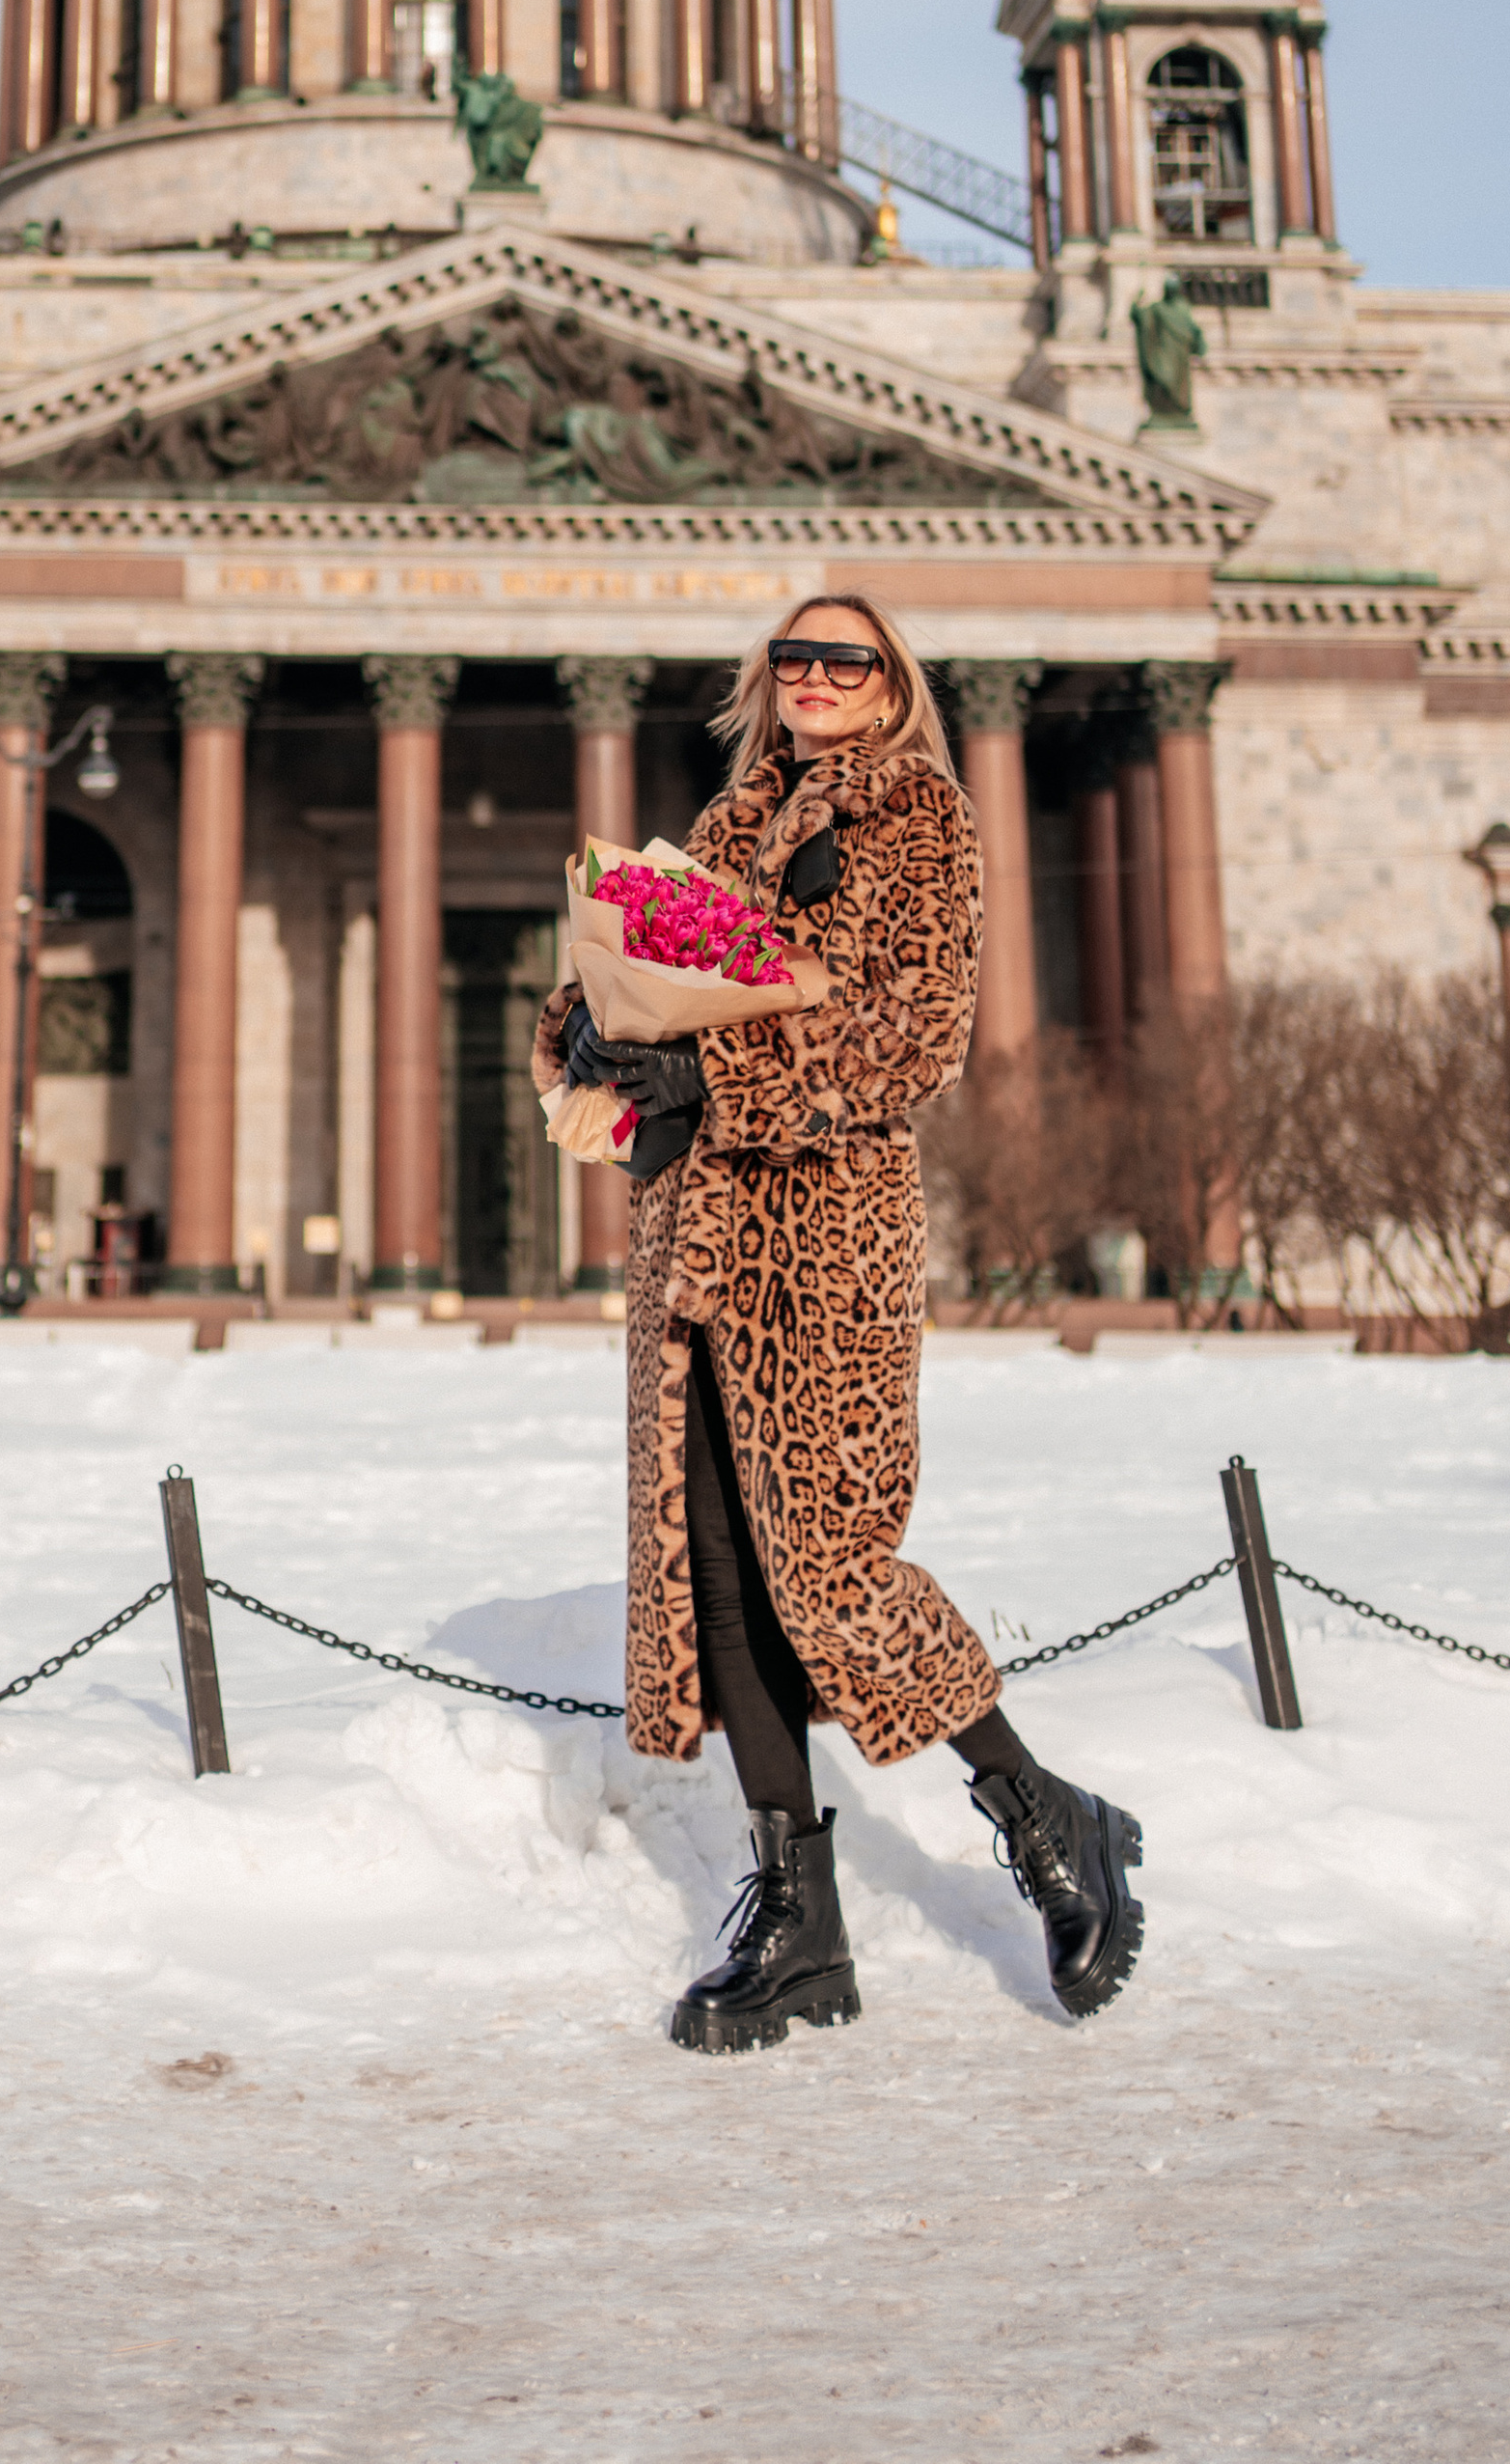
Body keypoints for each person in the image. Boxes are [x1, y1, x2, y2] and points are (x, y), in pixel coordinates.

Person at [535, 592, 1143, 2048]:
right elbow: (630, 983)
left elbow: (914, 1038)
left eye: (843, 661)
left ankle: (1051, 1818)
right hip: (694, 1236)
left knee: (829, 1568)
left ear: (890, 685)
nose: (813, 679)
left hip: (825, 1238)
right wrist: (594, 1036)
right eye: (793, 659)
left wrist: (719, 1081)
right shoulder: (728, 821)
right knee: (722, 1578)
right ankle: (798, 1919)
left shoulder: (922, 822)